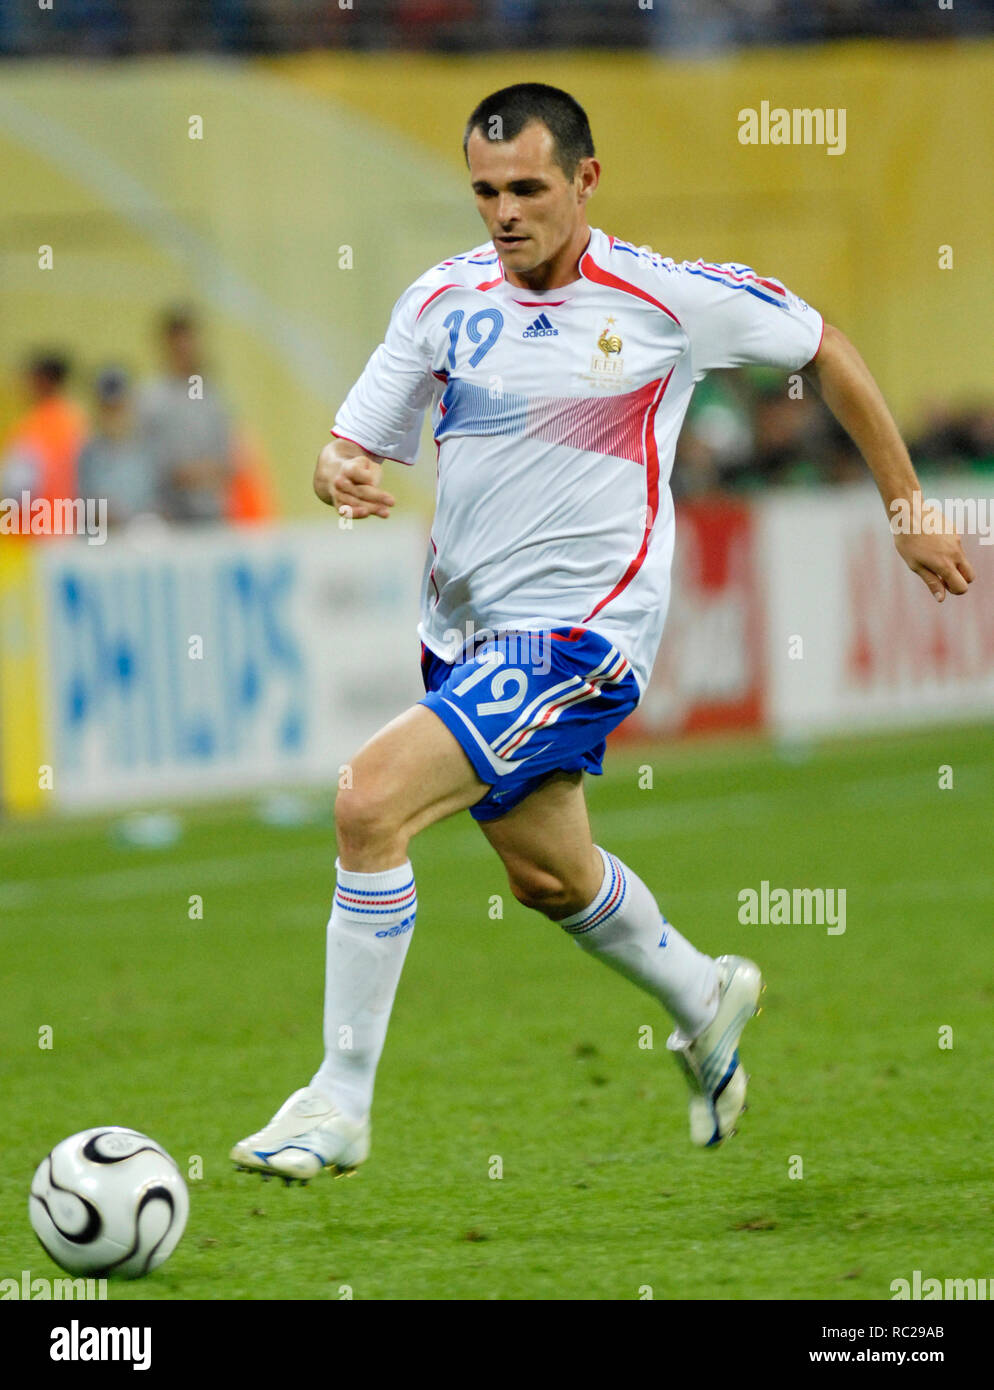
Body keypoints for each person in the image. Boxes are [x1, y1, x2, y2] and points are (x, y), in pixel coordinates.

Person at [232, 82, 974, 1181]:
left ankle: (337, 1100)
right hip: (463, 637)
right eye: (485, 190)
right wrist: (338, 467)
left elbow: (828, 350)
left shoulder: (669, 300)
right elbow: (353, 444)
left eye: (527, 187)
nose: (503, 211)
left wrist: (907, 510)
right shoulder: (441, 298)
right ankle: (702, 994)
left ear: (584, 179)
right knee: (549, 876)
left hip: (579, 640)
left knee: (368, 801)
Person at [136, 307, 233, 524]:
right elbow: (146, 458)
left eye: (188, 340)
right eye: (177, 341)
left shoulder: (212, 397)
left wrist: (205, 472)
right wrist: (179, 473)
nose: (184, 348)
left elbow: (227, 457)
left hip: (210, 514)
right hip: (168, 515)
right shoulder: (152, 398)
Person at [0, 352, 87, 525]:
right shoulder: (76, 418)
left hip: (38, 522)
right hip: (64, 519)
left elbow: (19, 481)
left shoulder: (36, 424)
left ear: (45, 380)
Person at [77, 368, 162, 529]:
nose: (114, 415)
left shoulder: (147, 451)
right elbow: (81, 504)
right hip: (102, 545)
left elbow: (159, 502)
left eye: (119, 407)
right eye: (108, 408)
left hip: (143, 542)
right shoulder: (88, 454)